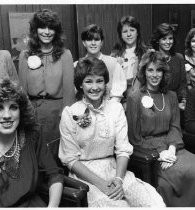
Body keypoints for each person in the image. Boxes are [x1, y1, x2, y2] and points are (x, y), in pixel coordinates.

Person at [58, 56, 165, 207]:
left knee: (152, 203)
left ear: (105, 82)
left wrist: (119, 180)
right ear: (80, 84)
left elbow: (123, 150)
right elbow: (70, 159)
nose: (95, 87)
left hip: (115, 169)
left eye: (99, 81)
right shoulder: (70, 114)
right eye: (88, 81)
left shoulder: (116, 109)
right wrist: (101, 184)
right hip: (86, 176)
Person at [126, 50, 195, 207]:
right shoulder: (134, 98)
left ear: (164, 73)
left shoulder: (170, 96)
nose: (155, 74)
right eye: (150, 70)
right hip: (149, 153)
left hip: (174, 148)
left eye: (159, 70)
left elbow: (176, 127)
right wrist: (159, 154)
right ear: (144, 72)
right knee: (184, 175)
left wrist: (170, 150)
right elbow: (134, 138)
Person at [0, 79, 63, 207]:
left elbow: (54, 175)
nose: (7, 115)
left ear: (21, 110)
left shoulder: (32, 136)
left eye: (13, 107)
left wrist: (52, 207)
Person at [18, 9, 75, 144]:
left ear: (57, 31)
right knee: (34, 152)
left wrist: (65, 117)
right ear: (35, 30)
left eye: (51, 28)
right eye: (42, 27)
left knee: (56, 153)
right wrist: (25, 117)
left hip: (57, 113)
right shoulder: (24, 55)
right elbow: (22, 91)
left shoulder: (65, 54)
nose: (47, 32)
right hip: (33, 112)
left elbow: (69, 91)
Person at [74, 24, 127, 102]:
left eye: (96, 39)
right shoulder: (76, 65)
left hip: (109, 109)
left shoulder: (113, 63)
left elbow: (117, 94)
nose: (93, 43)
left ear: (101, 42)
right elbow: (76, 93)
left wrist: (108, 110)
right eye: (89, 40)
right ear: (84, 43)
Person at [150, 23, 187, 110]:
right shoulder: (152, 58)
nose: (168, 42)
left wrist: (183, 100)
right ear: (158, 40)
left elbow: (183, 83)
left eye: (170, 38)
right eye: (164, 39)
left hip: (176, 104)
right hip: (156, 104)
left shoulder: (179, 58)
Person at [111, 15, 147, 104]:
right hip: (119, 101)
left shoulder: (146, 53)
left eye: (132, 30)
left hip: (141, 100)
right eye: (125, 31)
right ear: (120, 35)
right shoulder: (114, 55)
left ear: (137, 32)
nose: (129, 34)